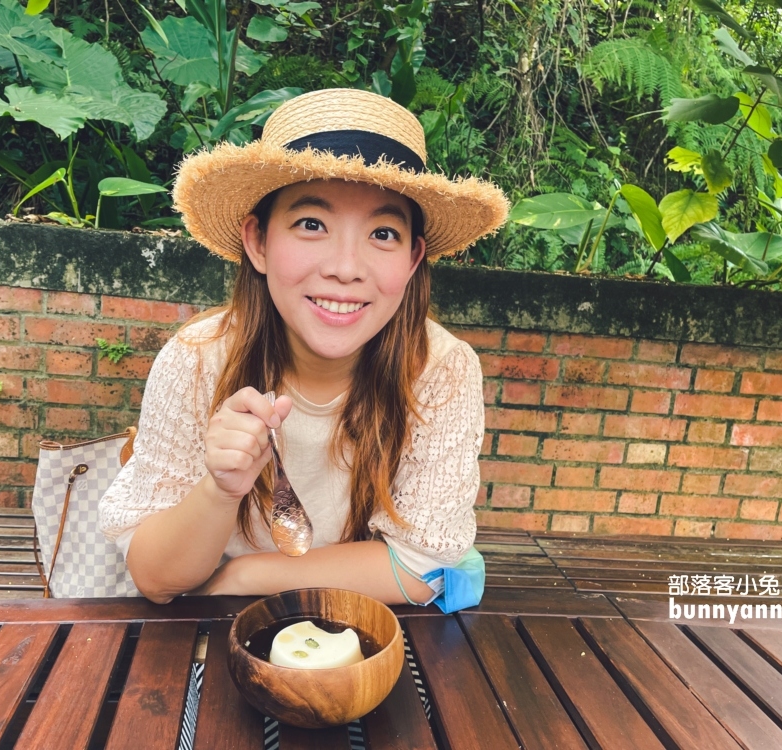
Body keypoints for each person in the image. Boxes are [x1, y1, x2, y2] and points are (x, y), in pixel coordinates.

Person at [98, 88, 509, 616]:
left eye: (383, 233)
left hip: (366, 634)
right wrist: (221, 490)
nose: (345, 267)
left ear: (412, 260)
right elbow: (156, 578)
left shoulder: (441, 369)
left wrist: (243, 574)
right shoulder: (198, 360)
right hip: (219, 636)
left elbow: (424, 566)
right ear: (259, 242)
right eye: (311, 224)